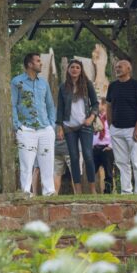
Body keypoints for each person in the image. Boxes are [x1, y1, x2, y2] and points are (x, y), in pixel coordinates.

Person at [11, 52, 56, 196]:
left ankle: (49, 191)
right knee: (26, 164)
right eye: (38, 61)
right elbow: (12, 104)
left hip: (45, 128)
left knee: (47, 162)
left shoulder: (44, 82)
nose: (41, 63)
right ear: (30, 64)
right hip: (26, 129)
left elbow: (50, 105)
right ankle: (25, 192)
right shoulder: (17, 82)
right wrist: (17, 126)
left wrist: (52, 125)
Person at [56, 59, 99, 194]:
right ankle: (78, 191)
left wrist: (91, 117)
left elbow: (96, 104)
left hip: (85, 125)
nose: (75, 69)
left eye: (77, 67)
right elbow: (60, 109)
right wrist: (60, 127)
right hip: (69, 127)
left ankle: (93, 190)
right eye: (72, 67)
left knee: (87, 155)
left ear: (81, 71)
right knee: (74, 157)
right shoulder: (63, 87)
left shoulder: (87, 85)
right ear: (68, 70)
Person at [106, 59, 137, 195]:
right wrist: (110, 126)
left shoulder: (136, 85)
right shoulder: (112, 86)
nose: (117, 69)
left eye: (120, 67)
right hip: (116, 129)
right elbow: (109, 106)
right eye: (116, 67)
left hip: (133, 129)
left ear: (129, 69)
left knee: (136, 161)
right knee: (121, 163)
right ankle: (126, 192)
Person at [31, 125, 72, 195]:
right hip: (40, 140)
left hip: (51, 144)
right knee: (37, 168)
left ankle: (47, 192)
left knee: (46, 169)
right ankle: (35, 193)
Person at [93, 99, 115, 194]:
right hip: (95, 148)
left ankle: (108, 190)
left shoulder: (110, 118)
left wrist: (111, 146)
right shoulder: (95, 118)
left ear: (103, 105)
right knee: (91, 170)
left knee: (108, 171)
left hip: (106, 147)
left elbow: (114, 133)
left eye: (98, 104)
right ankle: (91, 190)